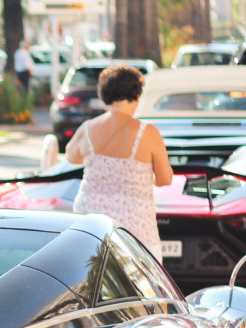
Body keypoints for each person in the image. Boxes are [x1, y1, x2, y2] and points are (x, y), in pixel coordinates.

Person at [65, 64, 174, 260]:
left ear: (103, 95)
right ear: (137, 96)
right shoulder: (148, 133)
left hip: (91, 223)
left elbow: (72, 157)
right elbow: (165, 179)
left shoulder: (88, 128)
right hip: (133, 227)